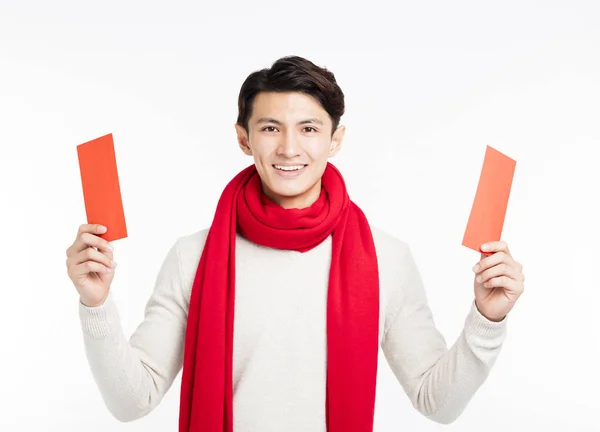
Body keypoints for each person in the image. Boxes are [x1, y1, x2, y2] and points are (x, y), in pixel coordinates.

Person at [65, 55, 525, 432]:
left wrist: (488, 318)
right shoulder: (194, 257)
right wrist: (96, 304)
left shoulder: (386, 258)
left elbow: (436, 402)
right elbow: (132, 401)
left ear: (334, 139)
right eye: (270, 128)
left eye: (308, 129)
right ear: (244, 139)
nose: (289, 148)